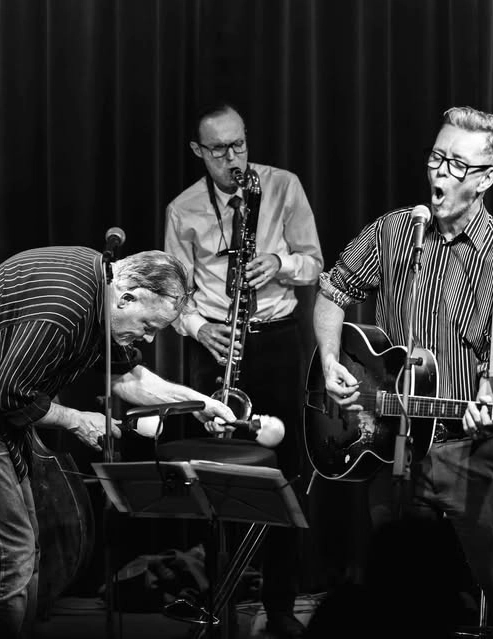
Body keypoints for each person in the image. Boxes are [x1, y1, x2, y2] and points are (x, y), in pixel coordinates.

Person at [0, 247, 237, 639]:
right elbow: (9, 396)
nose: (147, 339)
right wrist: (78, 420)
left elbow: (129, 378)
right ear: (127, 295)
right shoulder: (64, 309)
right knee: (9, 555)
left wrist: (198, 404)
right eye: (149, 326)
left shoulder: (103, 291)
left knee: (26, 549)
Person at [314, 106, 493, 638]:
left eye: (456, 165)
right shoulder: (396, 231)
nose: (440, 174)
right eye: (436, 158)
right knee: (400, 604)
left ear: (488, 177)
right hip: (391, 442)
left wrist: (491, 401)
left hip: (474, 451)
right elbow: (333, 291)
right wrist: (331, 361)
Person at [164, 102, 323, 638]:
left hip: (278, 340)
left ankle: (279, 602)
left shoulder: (283, 186)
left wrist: (279, 264)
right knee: (217, 472)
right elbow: (172, 291)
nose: (233, 159)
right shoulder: (182, 208)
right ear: (197, 152)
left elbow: (314, 262)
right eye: (219, 150)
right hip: (218, 345)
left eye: (240, 145)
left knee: (287, 470)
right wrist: (195, 327)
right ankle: (220, 598)